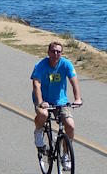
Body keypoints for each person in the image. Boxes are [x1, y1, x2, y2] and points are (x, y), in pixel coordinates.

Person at [31, 41, 82, 170]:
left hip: (60, 101)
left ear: (61, 53)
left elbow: (74, 81)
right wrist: (41, 102)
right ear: (48, 53)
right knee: (43, 114)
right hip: (43, 99)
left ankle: (65, 155)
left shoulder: (66, 64)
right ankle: (38, 132)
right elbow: (36, 84)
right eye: (53, 51)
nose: (55, 54)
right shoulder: (41, 65)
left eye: (58, 52)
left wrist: (77, 98)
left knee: (70, 126)